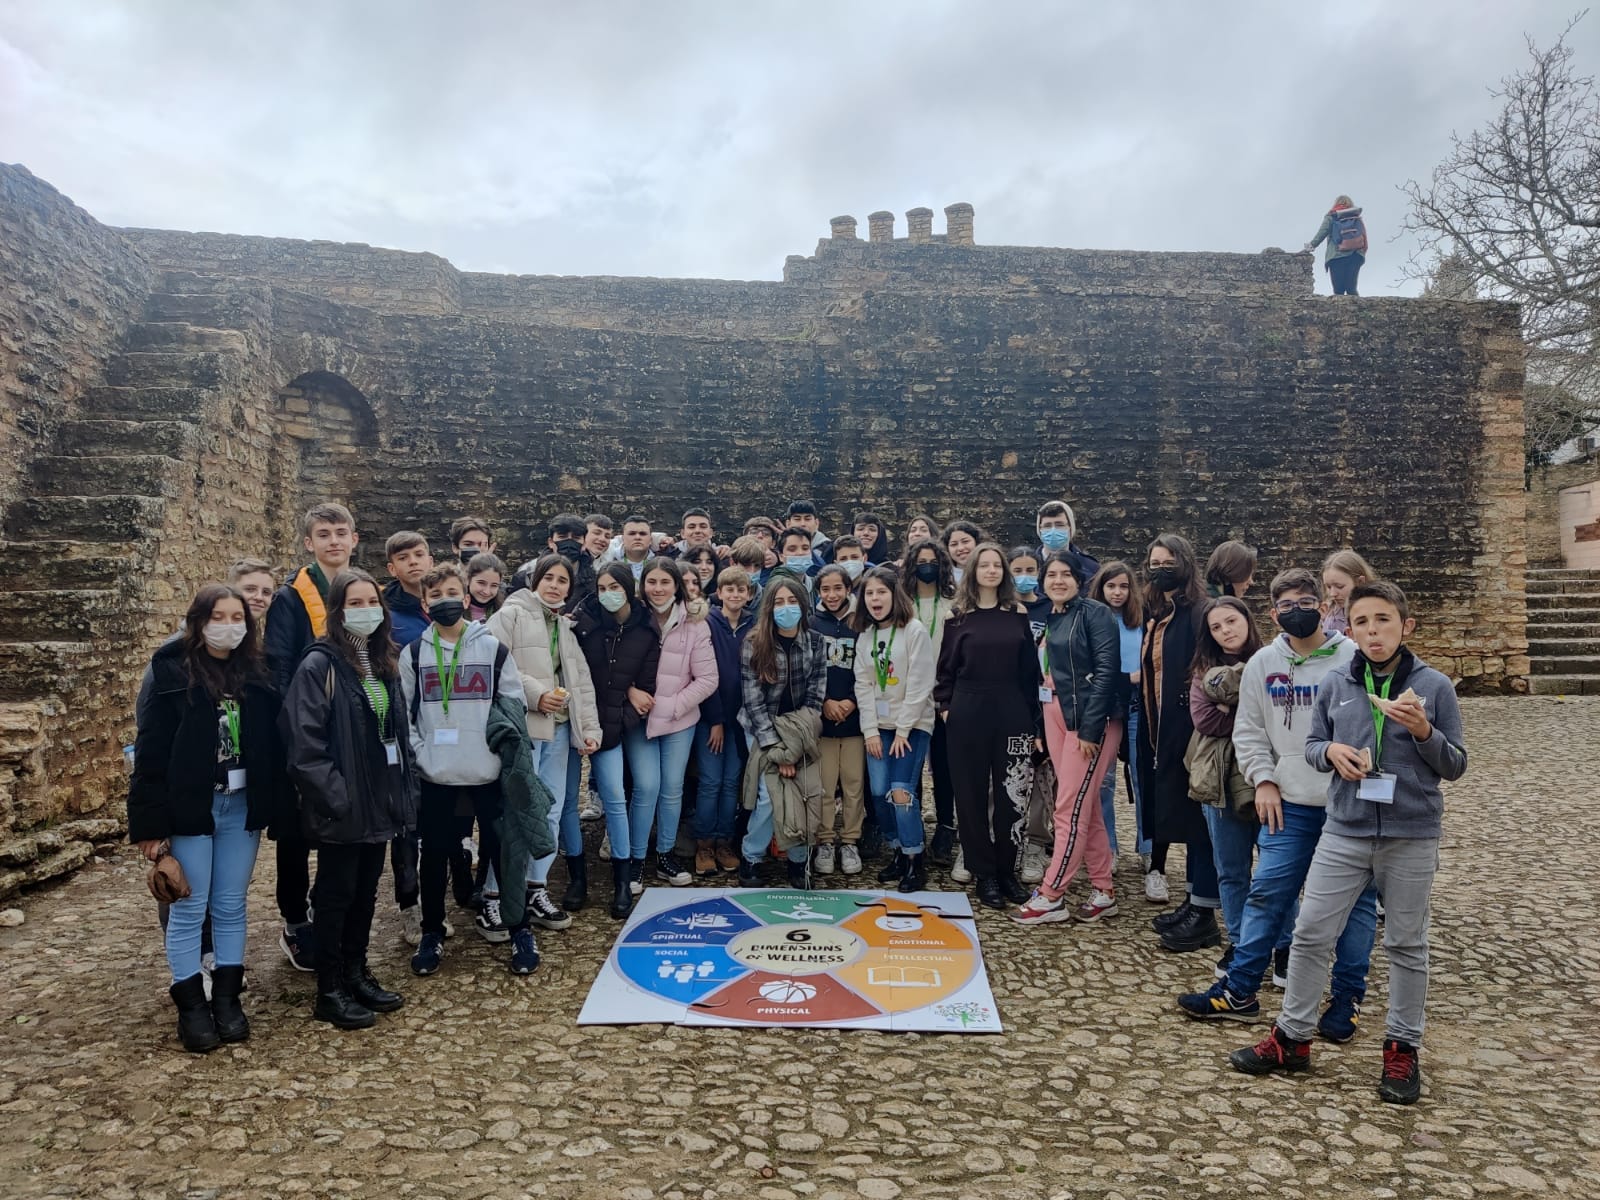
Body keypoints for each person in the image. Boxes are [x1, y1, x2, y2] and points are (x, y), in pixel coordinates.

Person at [1231, 581, 1467, 1106]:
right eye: (1362, 622)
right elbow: (1314, 745)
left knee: (1406, 944)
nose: (1373, 632)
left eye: (1383, 620)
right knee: (1311, 933)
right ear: (1350, 629)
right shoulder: (1337, 681)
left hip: (1410, 834)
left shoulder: (1434, 686)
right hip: (1344, 829)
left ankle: (1402, 1047)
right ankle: (1292, 1038)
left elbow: (1455, 765)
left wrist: (1425, 732)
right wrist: (1331, 752)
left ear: (1406, 625)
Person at [1179, 568, 1377, 1035]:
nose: (1297, 611)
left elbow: (1376, 721)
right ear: (1273, 614)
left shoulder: (1353, 658)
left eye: (1305, 602)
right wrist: (1263, 780)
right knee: (1267, 892)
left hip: (1348, 801)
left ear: (1322, 607)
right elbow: (1248, 730)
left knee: (1356, 902)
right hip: (1290, 801)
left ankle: (1346, 998)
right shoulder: (1264, 664)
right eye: (1286, 605)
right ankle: (1241, 988)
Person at [129, 583, 280, 1051]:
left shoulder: (257, 671)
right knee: (189, 907)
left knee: (231, 905)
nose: (229, 626)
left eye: (237, 618)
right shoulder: (171, 669)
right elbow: (151, 751)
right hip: (192, 805)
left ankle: (228, 1001)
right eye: (219, 616)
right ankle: (192, 1006)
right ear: (199, 621)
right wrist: (150, 827)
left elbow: (272, 744)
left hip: (241, 805)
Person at [279, 568, 417, 1030]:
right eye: (355, 603)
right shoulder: (319, 665)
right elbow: (304, 744)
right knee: (335, 894)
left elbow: (395, 733)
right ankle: (330, 987)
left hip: (380, 798)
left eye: (371, 602)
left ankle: (357, 972)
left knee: (365, 892)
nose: (366, 611)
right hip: (344, 803)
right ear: (337, 611)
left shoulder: (382, 662)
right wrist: (337, 797)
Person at [399, 563, 529, 974]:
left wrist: (498, 753)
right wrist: (421, 754)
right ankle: (432, 931)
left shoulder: (492, 649)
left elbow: (513, 705)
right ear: (425, 604)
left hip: (487, 771)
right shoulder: (413, 654)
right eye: (436, 596)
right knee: (435, 855)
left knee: (502, 852)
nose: (445, 601)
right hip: (437, 774)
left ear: (467, 598)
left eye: (452, 593)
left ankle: (519, 928)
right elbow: (405, 714)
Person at [264, 502, 358, 973]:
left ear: (354, 539)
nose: (333, 541)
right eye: (324, 534)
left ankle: (328, 910)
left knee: (343, 823)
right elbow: (280, 665)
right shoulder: (290, 598)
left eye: (341, 532)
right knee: (298, 833)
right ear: (308, 542)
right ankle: (295, 921)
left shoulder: (360, 590)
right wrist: (299, 727)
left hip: (350, 729)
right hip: (307, 727)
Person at [488, 555, 602, 918]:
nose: (555, 585)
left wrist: (589, 729)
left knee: (551, 810)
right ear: (535, 580)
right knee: (517, 809)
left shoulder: (565, 627)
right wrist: (536, 694)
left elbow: (581, 683)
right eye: (548, 577)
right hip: (524, 728)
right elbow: (495, 664)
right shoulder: (510, 615)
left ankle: (536, 886)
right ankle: (496, 893)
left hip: (560, 729)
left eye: (562, 580)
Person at [1012, 553, 1123, 925]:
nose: (1058, 581)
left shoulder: (1095, 614)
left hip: (1086, 719)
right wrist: (1041, 727)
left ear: (1079, 579)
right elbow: (1047, 674)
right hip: (1055, 712)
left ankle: (1051, 894)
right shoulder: (1053, 617)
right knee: (1084, 807)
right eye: (1052, 575)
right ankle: (1103, 890)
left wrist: (1091, 728)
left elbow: (1107, 671)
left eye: (1066, 575)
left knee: (1068, 809)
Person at [934, 543, 1040, 910]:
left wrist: (1034, 722)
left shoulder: (1018, 614)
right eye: (985, 565)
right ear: (973, 572)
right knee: (970, 794)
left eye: (997, 565)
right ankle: (984, 873)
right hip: (968, 710)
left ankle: (1007, 870)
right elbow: (945, 670)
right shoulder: (957, 617)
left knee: (1013, 794)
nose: (991, 570)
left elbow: (1030, 672)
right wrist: (946, 709)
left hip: (1012, 710)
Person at [1140, 534, 1221, 952]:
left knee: (1201, 823)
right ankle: (1193, 900)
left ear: (1186, 563)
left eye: (1168, 562)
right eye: (1154, 563)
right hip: (1166, 730)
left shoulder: (1199, 612)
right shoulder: (1162, 612)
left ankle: (1204, 913)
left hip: (1194, 731)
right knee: (1186, 819)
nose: (1160, 569)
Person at [570, 564, 661, 918]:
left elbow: (645, 689)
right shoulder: (582, 624)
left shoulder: (646, 630)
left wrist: (621, 705)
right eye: (602, 587)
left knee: (621, 794)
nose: (608, 593)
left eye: (615, 586)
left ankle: (623, 879)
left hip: (616, 723)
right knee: (574, 801)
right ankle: (578, 877)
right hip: (581, 718)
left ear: (628, 588)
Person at [1181, 596, 1264, 965]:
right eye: (1216, 627)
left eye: (1231, 621)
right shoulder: (1203, 671)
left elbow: (1276, 716)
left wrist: (1233, 708)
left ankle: (1281, 945)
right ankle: (1241, 943)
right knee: (1231, 871)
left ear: (1247, 619)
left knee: (1276, 872)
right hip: (1218, 782)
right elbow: (1206, 721)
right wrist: (1249, 713)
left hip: (1266, 779)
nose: (1225, 631)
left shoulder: (1272, 661)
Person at [737, 576, 827, 889]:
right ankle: (751, 856)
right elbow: (752, 701)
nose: (786, 608)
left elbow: (816, 695)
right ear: (768, 608)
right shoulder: (754, 642)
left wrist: (796, 746)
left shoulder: (816, 642)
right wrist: (778, 751)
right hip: (762, 728)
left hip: (800, 729)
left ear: (803, 605)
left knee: (802, 792)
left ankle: (799, 861)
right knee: (769, 796)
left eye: (792, 601)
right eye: (778, 602)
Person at [852, 567, 936, 891]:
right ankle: (898, 849)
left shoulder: (913, 631)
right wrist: (870, 731)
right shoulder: (866, 636)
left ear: (894, 594)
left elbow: (920, 682)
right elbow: (863, 684)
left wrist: (903, 730)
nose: (875, 599)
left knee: (901, 793)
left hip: (911, 726)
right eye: (869, 593)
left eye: (881, 592)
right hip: (880, 726)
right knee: (878, 792)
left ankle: (915, 859)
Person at [640, 558, 718, 886]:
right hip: (640, 718)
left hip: (678, 719)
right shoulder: (634, 618)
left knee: (672, 788)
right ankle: (634, 858)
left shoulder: (695, 624)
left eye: (665, 582)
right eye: (652, 581)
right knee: (645, 788)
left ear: (676, 586)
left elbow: (708, 679)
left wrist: (673, 706)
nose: (658, 589)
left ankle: (665, 854)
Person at [1089, 561, 1150, 887]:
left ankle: (1148, 846)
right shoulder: (1091, 619)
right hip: (1105, 707)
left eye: (1123, 586)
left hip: (1137, 705)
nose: (1117, 592)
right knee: (1105, 781)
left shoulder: (1141, 620)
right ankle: (1108, 846)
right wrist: (1128, 678)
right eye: (1111, 586)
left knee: (1143, 777)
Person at [694, 566, 755, 876]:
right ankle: (704, 843)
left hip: (742, 720)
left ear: (749, 594)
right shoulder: (707, 623)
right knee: (710, 782)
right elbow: (704, 674)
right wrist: (715, 719)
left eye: (740, 589)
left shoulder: (754, 625)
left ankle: (724, 841)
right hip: (712, 718)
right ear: (719, 593)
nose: (735, 594)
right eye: (729, 589)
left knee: (732, 782)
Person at [900, 538, 958, 867]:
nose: (927, 567)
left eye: (933, 562)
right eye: (921, 562)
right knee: (911, 769)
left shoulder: (953, 603)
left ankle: (946, 827)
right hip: (909, 698)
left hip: (944, 696)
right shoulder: (903, 604)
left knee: (945, 767)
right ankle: (915, 828)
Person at [811, 564, 866, 876]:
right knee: (825, 784)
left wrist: (852, 701)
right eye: (825, 589)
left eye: (837, 588)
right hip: (824, 720)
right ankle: (825, 840)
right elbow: (807, 670)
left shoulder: (861, 623)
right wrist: (824, 702)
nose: (832, 595)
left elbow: (869, 670)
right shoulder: (811, 624)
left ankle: (850, 840)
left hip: (855, 719)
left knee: (853, 783)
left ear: (848, 589)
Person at [1009, 544, 1053, 886]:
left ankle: (1036, 842)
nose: (1024, 577)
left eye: (1030, 570)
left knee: (1042, 777)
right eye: (1017, 570)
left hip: (1048, 704)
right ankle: (1004, 838)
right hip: (1011, 700)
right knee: (1006, 776)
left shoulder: (1051, 608)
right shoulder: (1003, 609)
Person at [1305, 194, 1366, 296]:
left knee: (1338, 290)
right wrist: (1362, 253)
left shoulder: (1332, 216)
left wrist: (1311, 246)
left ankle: (1339, 306)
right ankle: (1356, 306)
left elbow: (1322, 232)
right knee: (1351, 288)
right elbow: (1364, 235)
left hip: (1336, 255)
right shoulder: (1356, 217)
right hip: (1355, 255)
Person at [383, 531, 434, 648]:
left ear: (431, 562)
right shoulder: (385, 615)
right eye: (403, 558)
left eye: (419, 555)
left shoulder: (453, 599)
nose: (413, 562)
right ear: (392, 569)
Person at [1035, 500, 1101, 580]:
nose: (1053, 530)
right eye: (1047, 526)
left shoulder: (1091, 568)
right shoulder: (1027, 565)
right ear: (1040, 529)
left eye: (1059, 525)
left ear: (1070, 528)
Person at [1321, 549, 1377, 636]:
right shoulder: (1331, 615)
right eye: (1328, 587)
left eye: (1339, 586)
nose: (1332, 594)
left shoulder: (1380, 615)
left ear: (1360, 582)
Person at [465, 552, 506, 622]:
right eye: (481, 583)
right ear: (468, 579)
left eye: (494, 585)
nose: (487, 591)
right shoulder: (454, 611)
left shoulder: (504, 613)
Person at [941, 520, 983, 584]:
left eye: (965, 541)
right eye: (954, 544)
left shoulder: (990, 572)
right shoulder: (944, 577)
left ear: (977, 542)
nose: (960, 548)